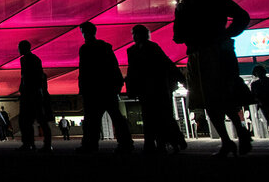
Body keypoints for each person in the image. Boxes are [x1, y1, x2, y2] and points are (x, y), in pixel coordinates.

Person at [172, 0, 252, 157]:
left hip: (201, 55)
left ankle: (228, 140)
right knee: (223, 96)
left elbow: (177, 35)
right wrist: (228, 33)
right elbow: (242, 16)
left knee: (210, 99)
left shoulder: (184, 7)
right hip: (218, 51)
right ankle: (237, 134)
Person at [126, 24, 186, 154]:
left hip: (156, 88)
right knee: (153, 117)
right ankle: (158, 144)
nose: (135, 37)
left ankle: (162, 143)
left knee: (159, 117)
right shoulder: (137, 50)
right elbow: (133, 71)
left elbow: (166, 63)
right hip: (150, 89)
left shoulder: (145, 49)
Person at [76, 22, 133, 154]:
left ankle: (91, 144)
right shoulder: (104, 47)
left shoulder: (85, 49)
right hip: (106, 88)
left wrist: (82, 88)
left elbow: (84, 71)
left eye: (84, 31)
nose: (84, 34)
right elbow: (113, 66)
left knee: (92, 119)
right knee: (114, 117)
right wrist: (117, 84)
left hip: (94, 89)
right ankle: (125, 143)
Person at [18, 40, 51, 151]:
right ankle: (43, 144)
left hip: (31, 94)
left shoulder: (27, 59)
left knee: (27, 120)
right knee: (38, 120)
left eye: (20, 47)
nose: (18, 49)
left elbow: (28, 78)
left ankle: (29, 144)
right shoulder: (33, 59)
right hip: (34, 93)